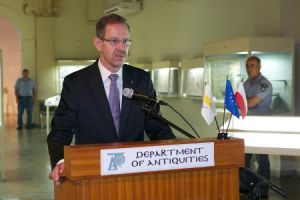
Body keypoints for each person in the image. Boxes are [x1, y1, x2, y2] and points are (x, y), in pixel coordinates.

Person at [47, 14, 176, 185]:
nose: (122, 48)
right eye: (114, 41)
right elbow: (61, 130)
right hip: (92, 175)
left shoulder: (141, 79)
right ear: (98, 43)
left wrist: (176, 152)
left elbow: (156, 125)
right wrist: (60, 162)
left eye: (126, 41)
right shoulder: (76, 83)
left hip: (133, 175)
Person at [240, 56, 273, 198]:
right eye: (247, 66)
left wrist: (243, 101)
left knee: (262, 159)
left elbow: (251, 103)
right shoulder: (246, 83)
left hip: (261, 127)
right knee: (243, 158)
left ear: (259, 67)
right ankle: (248, 186)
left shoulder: (264, 84)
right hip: (246, 127)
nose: (249, 69)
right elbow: (238, 102)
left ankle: (263, 189)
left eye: (252, 65)